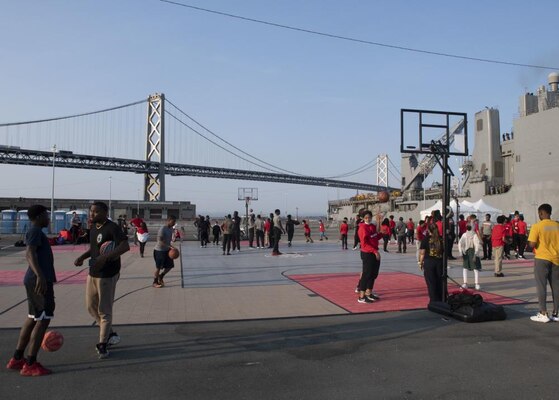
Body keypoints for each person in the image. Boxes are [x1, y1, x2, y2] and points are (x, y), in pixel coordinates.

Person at [74, 201, 130, 359]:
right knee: (91, 307)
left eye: (96, 212)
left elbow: (124, 246)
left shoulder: (112, 228)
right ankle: (110, 333)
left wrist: (106, 257)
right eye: (91, 211)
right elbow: (94, 248)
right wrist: (82, 257)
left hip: (107, 274)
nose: (92, 214)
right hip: (93, 272)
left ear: (105, 213)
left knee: (104, 310)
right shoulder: (93, 227)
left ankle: (103, 343)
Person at [6, 205, 55, 376]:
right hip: (38, 281)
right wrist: (40, 276)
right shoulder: (35, 231)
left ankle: (17, 358)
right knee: (43, 320)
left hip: (35, 279)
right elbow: (29, 253)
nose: (49, 218)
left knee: (33, 318)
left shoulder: (36, 232)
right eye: (47, 215)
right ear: (40, 216)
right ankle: (30, 363)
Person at [527, 204, 559, 323]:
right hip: (556, 259)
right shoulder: (557, 225)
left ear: (541, 213)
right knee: (556, 287)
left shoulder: (537, 226)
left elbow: (531, 244)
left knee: (541, 285)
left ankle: (543, 313)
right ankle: (556, 313)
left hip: (542, 258)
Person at [356, 210, 381, 303]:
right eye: (366, 217)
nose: (368, 219)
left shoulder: (372, 226)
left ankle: (369, 292)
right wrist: (375, 251)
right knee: (366, 275)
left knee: (373, 274)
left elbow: (376, 237)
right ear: (363, 218)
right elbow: (364, 244)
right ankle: (361, 296)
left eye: (369, 217)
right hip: (367, 253)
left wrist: (383, 233)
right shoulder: (362, 228)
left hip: (374, 252)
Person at [418, 222, 444, 303]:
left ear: (428, 230)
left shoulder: (426, 239)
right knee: (440, 281)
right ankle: (441, 298)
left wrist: (420, 262)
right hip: (439, 262)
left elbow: (422, 253)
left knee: (431, 282)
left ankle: (433, 300)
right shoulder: (441, 238)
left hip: (429, 262)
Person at [152, 215, 177, 288]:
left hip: (167, 250)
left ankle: (161, 276)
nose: (174, 223)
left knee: (170, 266)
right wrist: (169, 246)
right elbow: (159, 241)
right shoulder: (162, 228)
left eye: (175, 222)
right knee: (158, 267)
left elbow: (169, 239)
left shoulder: (171, 229)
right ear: (169, 220)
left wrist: (172, 243)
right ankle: (155, 282)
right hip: (159, 250)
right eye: (173, 222)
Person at [458, 224, 482, 290]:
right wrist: (461, 253)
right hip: (466, 252)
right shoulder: (464, 235)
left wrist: (475, 254)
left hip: (473, 252)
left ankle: (476, 283)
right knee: (465, 267)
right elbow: (460, 243)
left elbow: (477, 245)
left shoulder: (474, 235)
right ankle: (465, 283)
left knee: (475, 268)